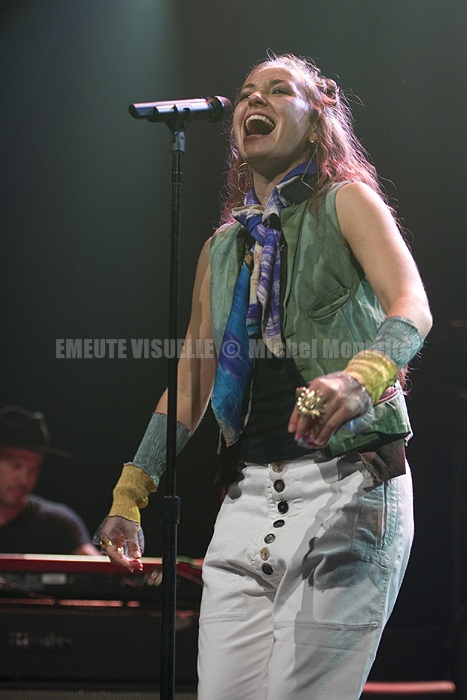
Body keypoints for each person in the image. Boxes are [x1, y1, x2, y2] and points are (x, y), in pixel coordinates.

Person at [95, 52, 432, 699]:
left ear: (316, 121)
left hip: (348, 487)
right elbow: (192, 383)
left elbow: (411, 304)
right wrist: (131, 491)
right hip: (247, 501)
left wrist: (357, 378)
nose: (256, 99)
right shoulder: (223, 247)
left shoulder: (346, 203)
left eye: (280, 90)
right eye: (248, 91)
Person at [0, 405, 99, 555]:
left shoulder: (58, 523)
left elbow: (94, 565)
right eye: (16, 466)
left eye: (34, 470)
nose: (24, 480)